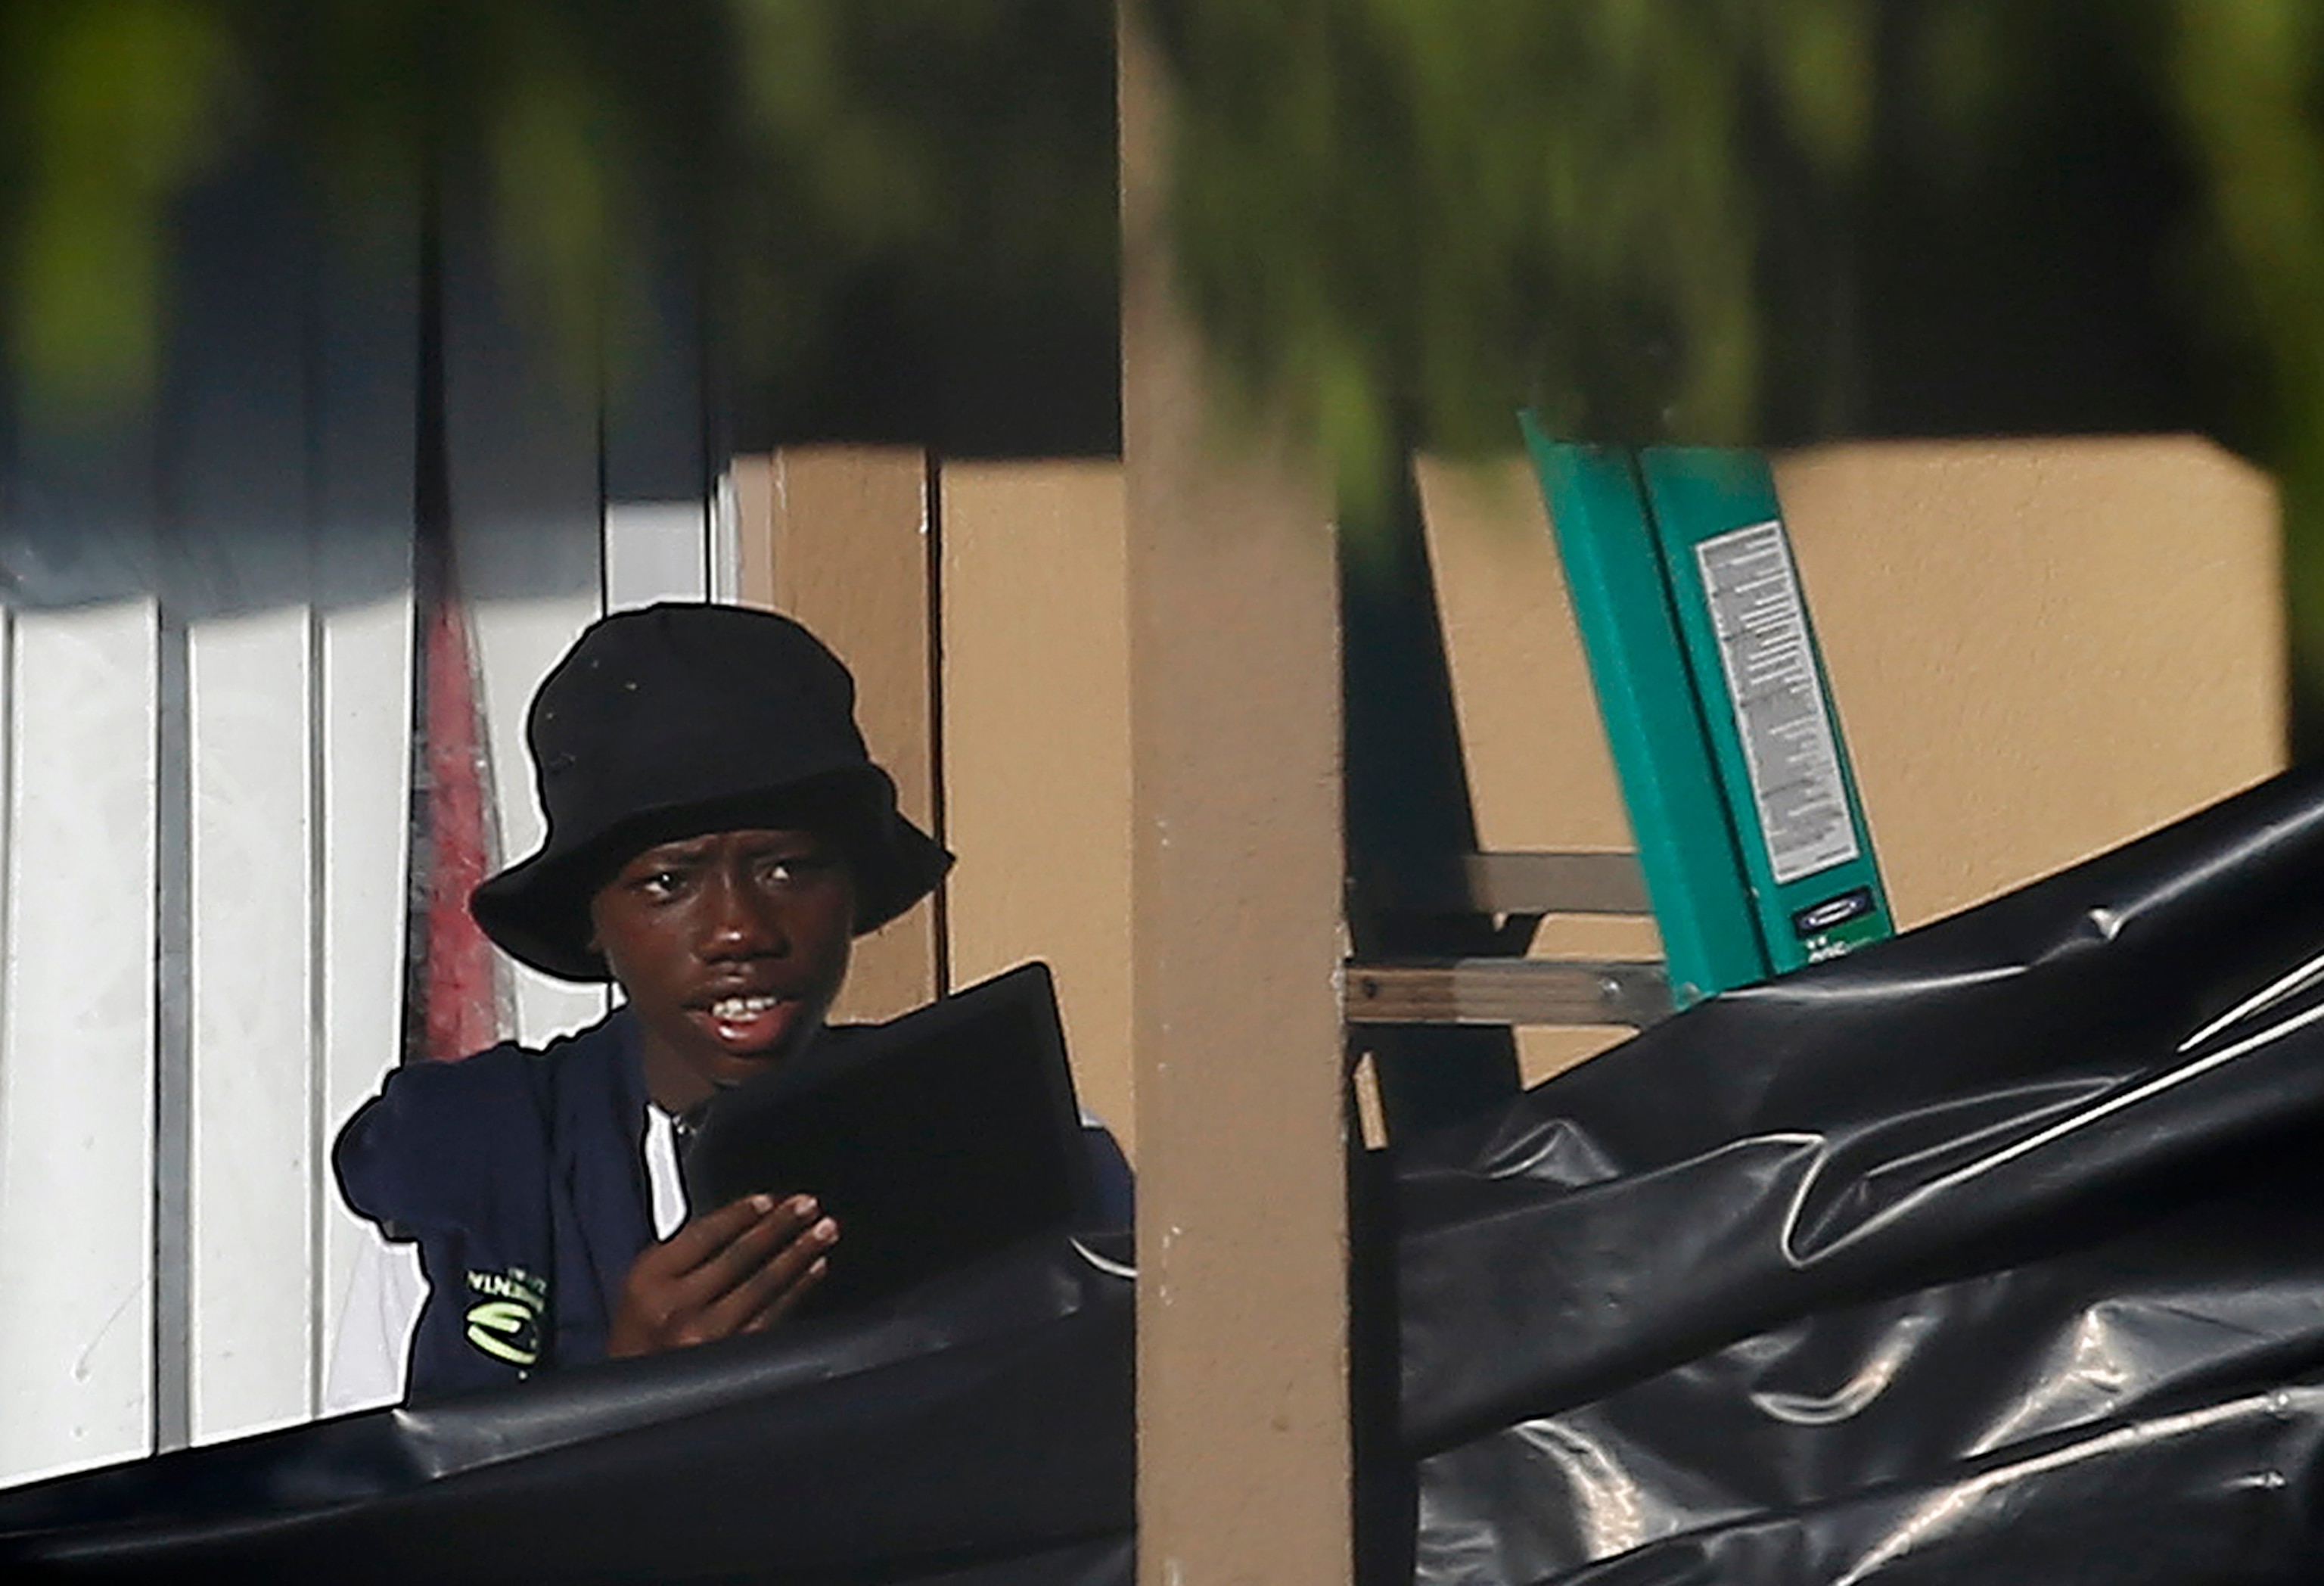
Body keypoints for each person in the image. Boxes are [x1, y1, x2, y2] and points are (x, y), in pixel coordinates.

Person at [327, 602, 1129, 1407]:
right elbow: (374, 1516)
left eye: (787, 868)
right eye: (669, 881)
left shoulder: (1005, 1140)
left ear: (853, 889)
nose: (740, 929)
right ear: (591, 918)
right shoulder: (460, 1170)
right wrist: (632, 1390)